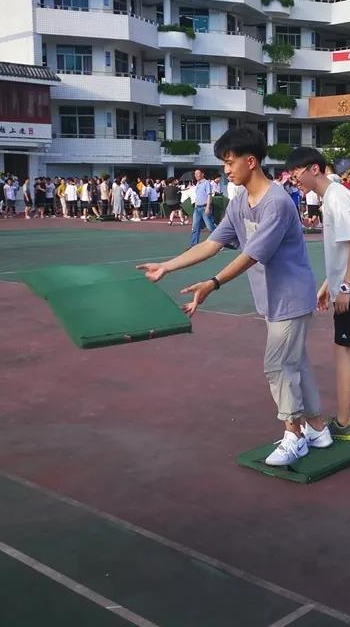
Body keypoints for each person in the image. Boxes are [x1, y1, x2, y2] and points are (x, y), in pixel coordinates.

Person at [138, 128, 329, 466]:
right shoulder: (240, 201)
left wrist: (213, 283)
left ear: (250, 161)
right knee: (295, 362)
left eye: (229, 163)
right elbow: (213, 243)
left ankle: (295, 435)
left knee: (277, 364)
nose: (226, 170)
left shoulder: (277, 202)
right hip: (271, 299)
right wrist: (168, 266)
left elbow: (252, 254)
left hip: (291, 297)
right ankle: (317, 428)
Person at [286, 147, 350, 441]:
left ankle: (343, 422)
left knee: (344, 350)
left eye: (296, 173)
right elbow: (344, 249)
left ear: (314, 169)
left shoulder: (336, 197)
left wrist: (344, 287)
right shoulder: (333, 196)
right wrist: (327, 286)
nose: (294, 179)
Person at [189, 169, 216, 245]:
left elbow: (209, 195)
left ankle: (220, 242)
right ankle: (193, 245)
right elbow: (198, 195)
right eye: (195, 174)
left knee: (210, 227)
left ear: (202, 174)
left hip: (204, 207)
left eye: (197, 173)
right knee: (195, 227)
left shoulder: (206, 183)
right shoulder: (198, 184)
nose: (196, 175)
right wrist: (195, 205)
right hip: (197, 208)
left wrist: (208, 207)